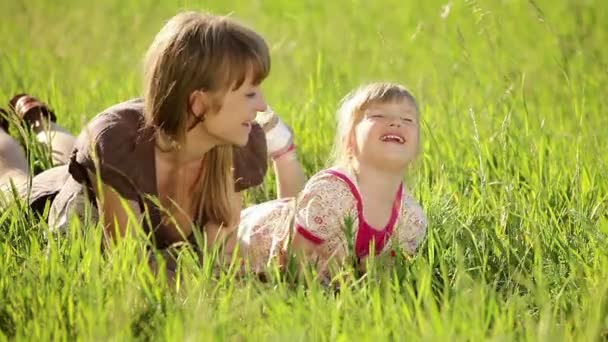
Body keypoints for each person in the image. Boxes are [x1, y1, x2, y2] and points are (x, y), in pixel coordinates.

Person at [0, 11, 307, 269]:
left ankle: (40, 121)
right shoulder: (116, 143)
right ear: (198, 103)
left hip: (106, 168)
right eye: (250, 93)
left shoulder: (237, 145)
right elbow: (130, 266)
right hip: (65, 205)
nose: (263, 106)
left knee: (61, 152)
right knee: (14, 178)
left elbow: (220, 258)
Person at [237, 82, 428, 280]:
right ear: (350, 142)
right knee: (216, 235)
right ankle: (281, 152)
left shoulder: (411, 218)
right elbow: (294, 259)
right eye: (378, 116)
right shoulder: (331, 193)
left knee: (294, 206)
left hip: (313, 251)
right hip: (247, 241)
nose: (396, 122)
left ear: (416, 150)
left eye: (407, 119)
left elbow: (385, 274)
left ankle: (282, 149)